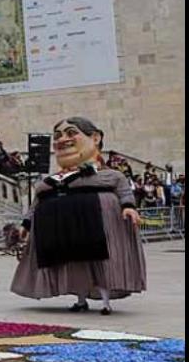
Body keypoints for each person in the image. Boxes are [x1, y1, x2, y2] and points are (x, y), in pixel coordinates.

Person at [11, 116, 146, 315]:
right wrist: (26, 223)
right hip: (66, 232)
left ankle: (106, 303)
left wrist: (128, 207)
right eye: (58, 136)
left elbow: (124, 192)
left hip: (97, 228)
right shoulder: (51, 181)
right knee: (75, 267)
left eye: (71, 133)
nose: (62, 139)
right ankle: (81, 300)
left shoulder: (110, 176)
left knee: (101, 265)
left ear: (96, 138)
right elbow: (37, 202)